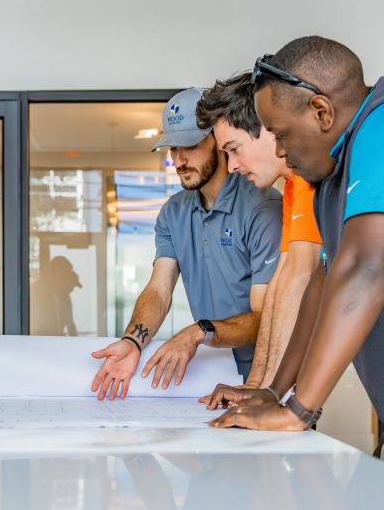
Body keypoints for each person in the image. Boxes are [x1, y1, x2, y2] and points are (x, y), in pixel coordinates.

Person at [209, 36, 384, 433]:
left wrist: (299, 412)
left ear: (321, 111)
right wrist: (276, 392)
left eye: (282, 135)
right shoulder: (331, 175)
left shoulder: (380, 127)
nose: (281, 152)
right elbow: (323, 281)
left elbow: (366, 268)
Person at [91, 88, 282, 401]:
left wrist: (199, 331)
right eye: (172, 147)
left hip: (272, 382)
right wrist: (133, 341)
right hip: (210, 378)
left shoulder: (263, 207)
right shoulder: (173, 212)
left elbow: (267, 317)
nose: (179, 159)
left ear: (219, 141)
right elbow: (158, 291)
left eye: (190, 145)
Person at [194, 73, 321, 397]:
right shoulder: (293, 186)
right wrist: (256, 387)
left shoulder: (310, 179)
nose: (232, 165)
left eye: (234, 149)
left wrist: (271, 395)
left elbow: (300, 279)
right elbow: (282, 281)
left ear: (267, 126)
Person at [30, 256, 81, 336]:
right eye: (66, 276)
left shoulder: (64, 296)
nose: (71, 290)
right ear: (57, 275)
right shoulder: (37, 291)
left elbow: (70, 324)